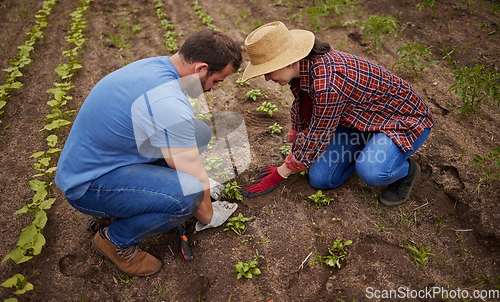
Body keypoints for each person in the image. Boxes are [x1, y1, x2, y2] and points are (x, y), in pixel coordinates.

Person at [55, 30, 242, 276]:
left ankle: (147, 195)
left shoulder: (156, 67)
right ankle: (115, 241)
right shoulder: (167, 101)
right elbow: (193, 174)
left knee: (198, 133)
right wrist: (208, 214)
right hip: (89, 185)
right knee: (187, 197)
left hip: (110, 159)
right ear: (200, 68)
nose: (215, 88)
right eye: (216, 80)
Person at [241, 21, 434, 207]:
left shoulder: (328, 83)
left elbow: (318, 133)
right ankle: (370, 148)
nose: (266, 78)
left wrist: (280, 173)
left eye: (268, 71)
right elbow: (304, 108)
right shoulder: (303, 71)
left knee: (372, 171)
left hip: (400, 120)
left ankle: (405, 171)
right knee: (321, 179)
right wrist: (296, 142)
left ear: (288, 62)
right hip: (357, 120)